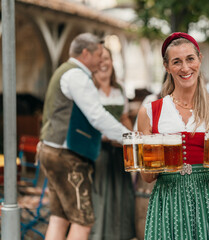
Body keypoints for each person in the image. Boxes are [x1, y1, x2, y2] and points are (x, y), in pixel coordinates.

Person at [137, 32, 209, 239]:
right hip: (168, 200)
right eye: (177, 62)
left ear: (199, 59)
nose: (185, 68)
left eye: (190, 59)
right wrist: (151, 158)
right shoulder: (149, 112)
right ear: (167, 67)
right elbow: (147, 177)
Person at [38, 33, 130, 240]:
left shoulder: (65, 71)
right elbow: (97, 116)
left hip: (50, 149)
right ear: (86, 53)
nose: (101, 59)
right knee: (83, 222)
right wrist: (130, 138)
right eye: (98, 54)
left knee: (59, 218)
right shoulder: (77, 76)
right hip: (67, 155)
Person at [89, 47, 135, 240]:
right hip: (97, 151)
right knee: (99, 195)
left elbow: (124, 117)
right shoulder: (88, 89)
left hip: (118, 151)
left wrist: (131, 136)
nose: (103, 63)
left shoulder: (119, 89)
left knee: (120, 196)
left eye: (106, 58)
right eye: (99, 59)